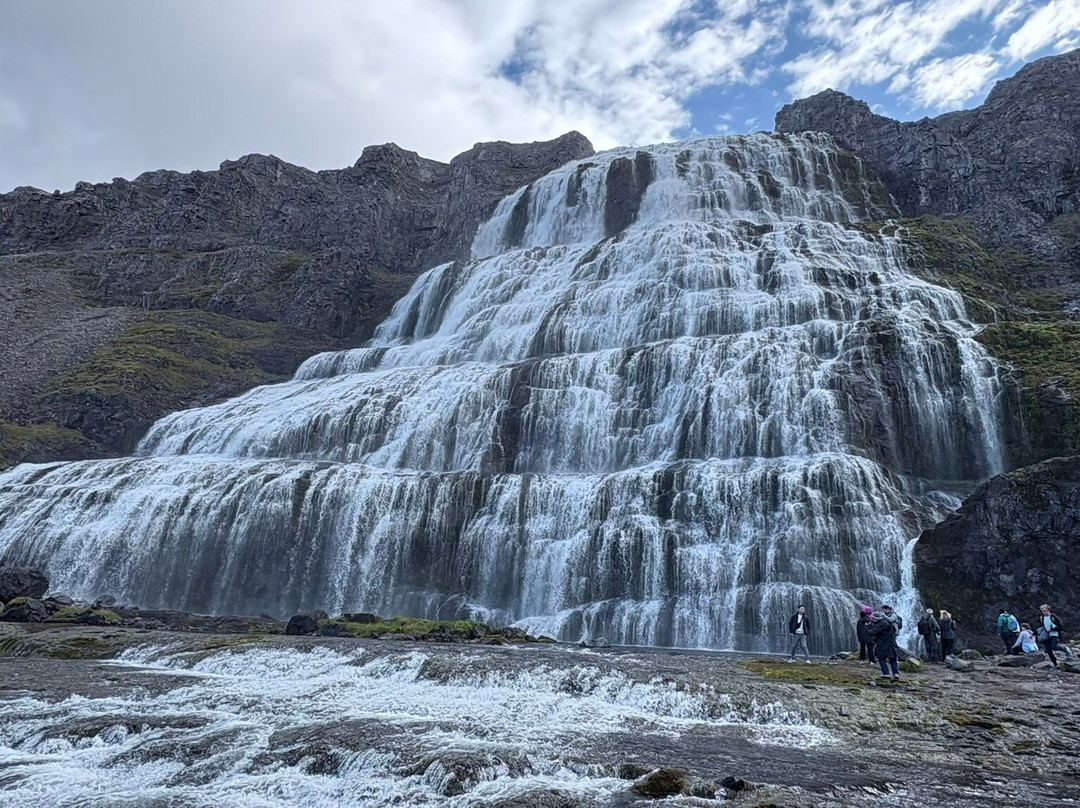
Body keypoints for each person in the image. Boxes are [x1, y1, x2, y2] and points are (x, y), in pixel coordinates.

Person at [870, 606, 902, 680]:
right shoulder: (889, 624)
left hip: (883, 644)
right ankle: (896, 673)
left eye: (885, 609)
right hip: (892, 643)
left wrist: (867, 628)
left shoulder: (884, 622)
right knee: (893, 659)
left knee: (881, 658)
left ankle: (886, 673)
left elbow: (873, 632)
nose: (884, 610)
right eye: (883, 609)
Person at [1037, 604, 1063, 670]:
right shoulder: (1042, 618)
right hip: (1047, 635)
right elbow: (1041, 627)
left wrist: (1052, 629)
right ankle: (1056, 665)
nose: (1043, 612)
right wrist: (1034, 633)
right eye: (1042, 611)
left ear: (1048, 610)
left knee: (1053, 646)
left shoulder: (1053, 617)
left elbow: (1061, 626)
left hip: (1055, 634)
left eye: (1044, 610)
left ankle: (1064, 648)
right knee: (1048, 650)